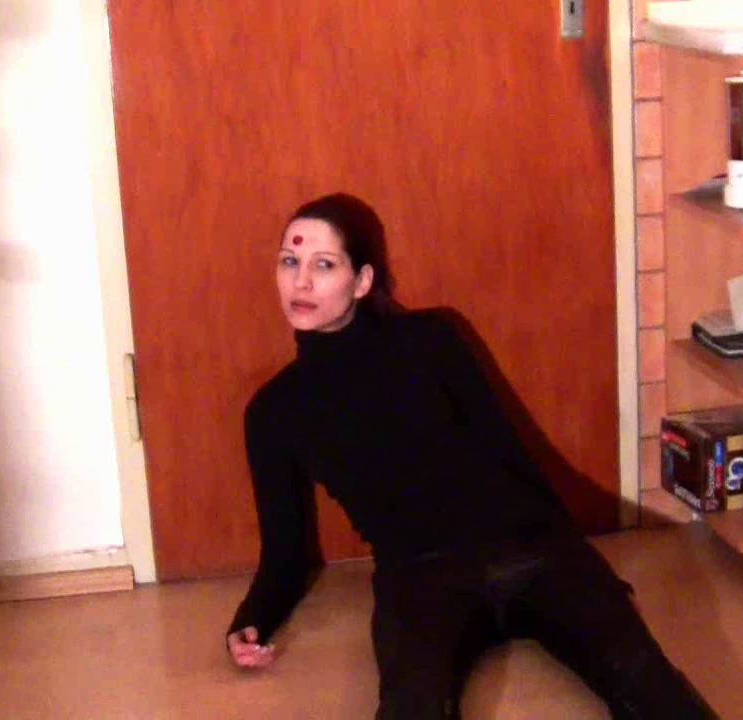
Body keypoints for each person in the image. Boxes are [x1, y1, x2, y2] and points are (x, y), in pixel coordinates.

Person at [226, 192, 717, 719]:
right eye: (289, 261)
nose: (300, 282)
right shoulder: (274, 411)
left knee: (643, 679)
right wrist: (253, 618)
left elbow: (513, 454)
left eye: (323, 265)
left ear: (362, 281)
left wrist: (586, 571)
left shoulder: (431, 338)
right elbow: (285, 551)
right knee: (412, 704)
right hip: (420, 574)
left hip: (529, 546)